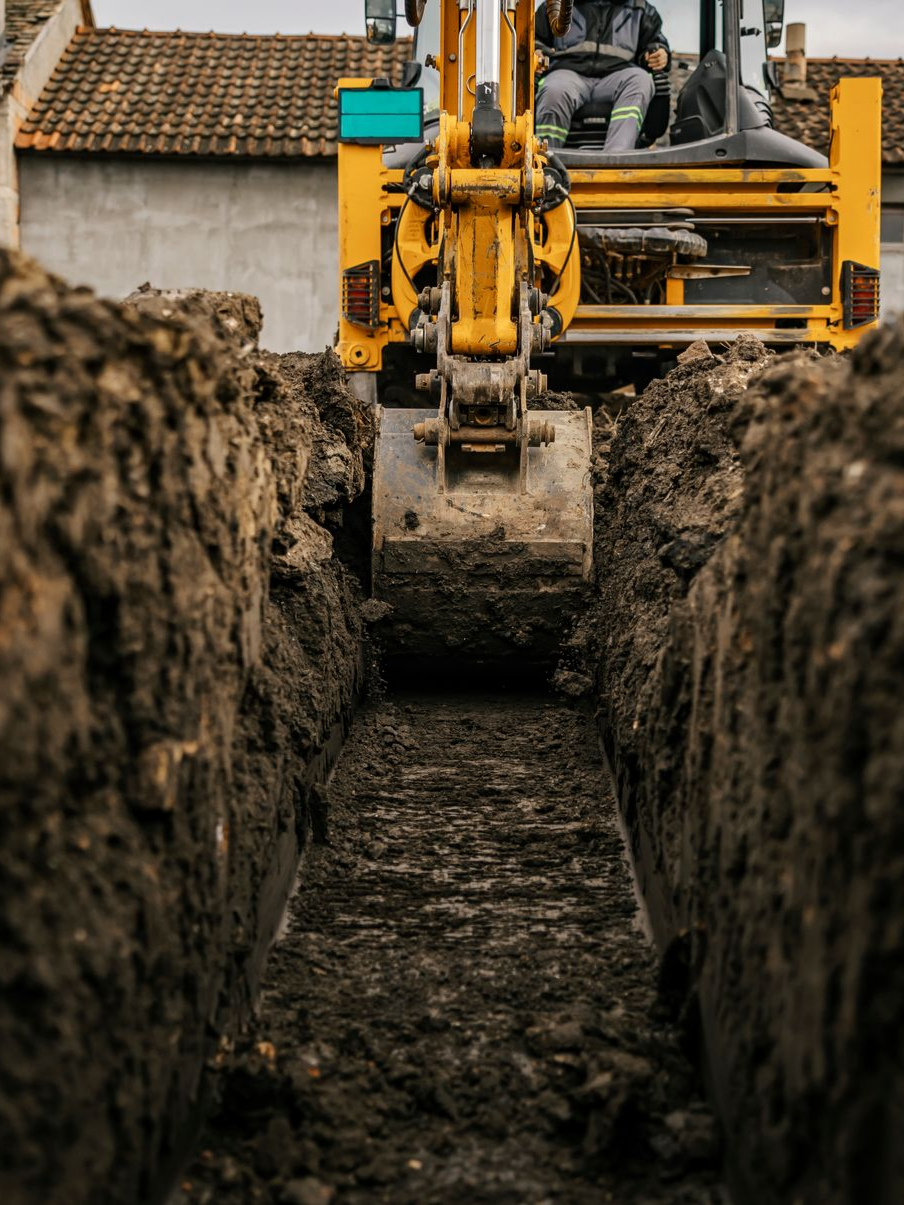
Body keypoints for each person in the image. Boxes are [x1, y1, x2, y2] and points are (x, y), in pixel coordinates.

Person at [535, 0, 670, 151]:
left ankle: (617, 156)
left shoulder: (641, 9)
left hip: (617, 75)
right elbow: (534, 39)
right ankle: (547, 156)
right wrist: (537, 49)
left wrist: (660, 53)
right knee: (554, 89)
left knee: (640, 80)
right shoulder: (556, 5)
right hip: (568, 74)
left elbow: (655, 43)